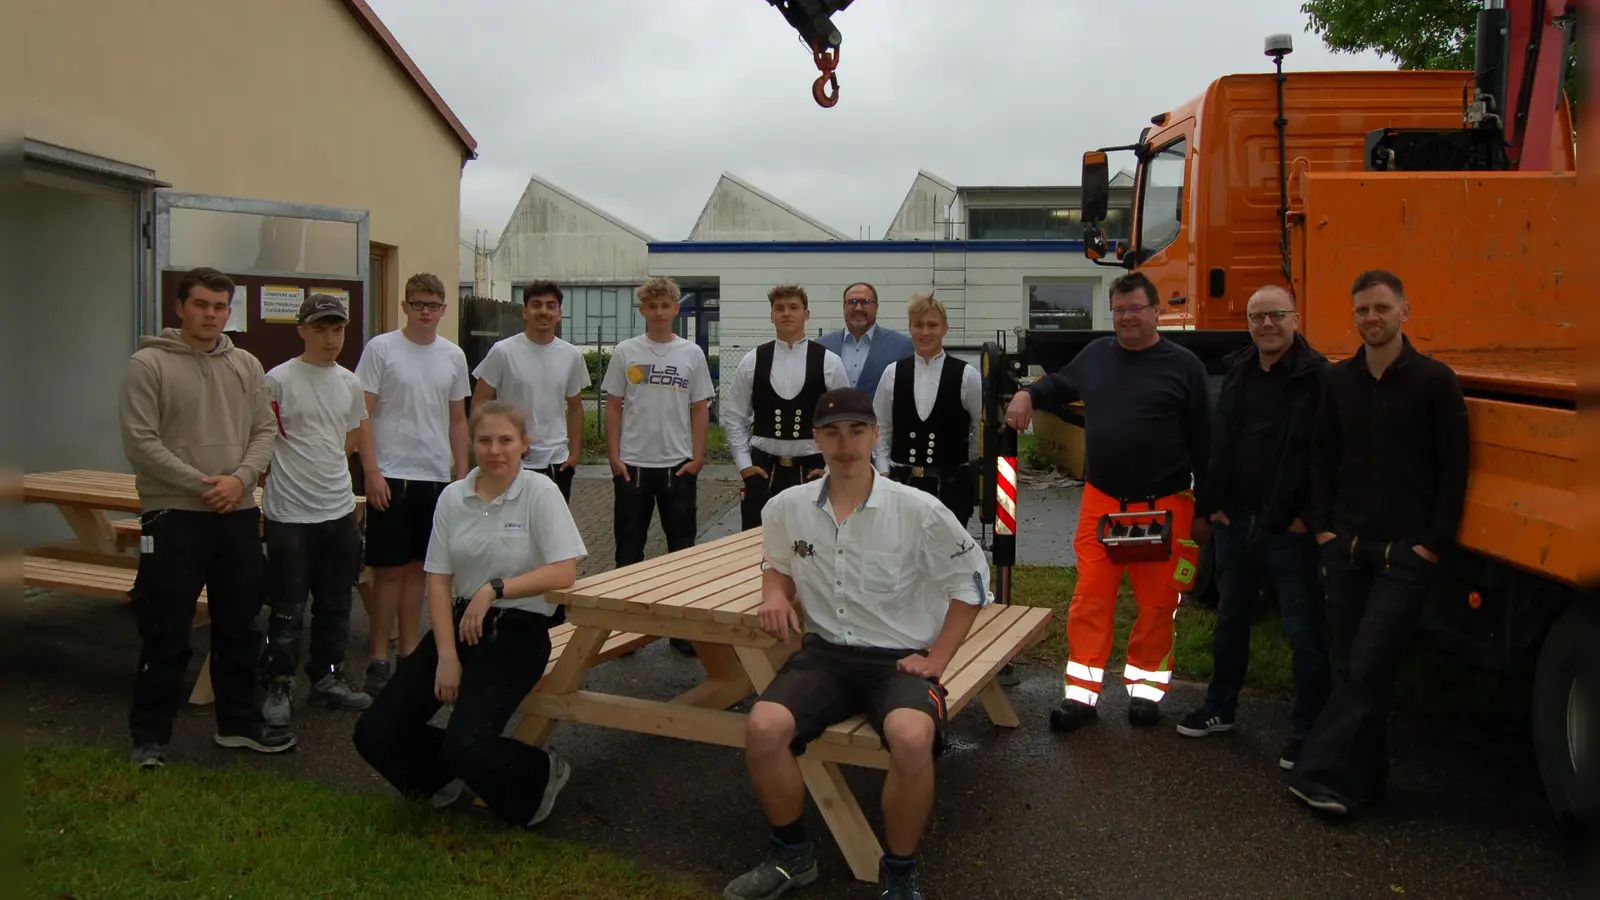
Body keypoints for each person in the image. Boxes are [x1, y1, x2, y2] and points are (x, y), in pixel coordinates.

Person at [724, 387, 990, 900]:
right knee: (762, 726)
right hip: (826, 655)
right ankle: (791, 858)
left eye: (855, 431)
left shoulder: (920, 510)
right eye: (831, 432)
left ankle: (899, 871)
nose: (844, 444)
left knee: (911, 738)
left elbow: (973, 584)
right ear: (815, 439)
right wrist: (773, 592)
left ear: (874, 436)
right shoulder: (785, 507)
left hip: (899, 659)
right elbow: (776, 564)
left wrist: (937, 658)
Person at [352, 400, 586, 828]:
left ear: (524, 446)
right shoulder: (453, 497)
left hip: (520, 630)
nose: (495, 450)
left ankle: (539, 774)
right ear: (471, 443)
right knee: (374, 733)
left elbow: (564, 572)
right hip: (460, 625)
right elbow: (438, 581)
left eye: (505, 440)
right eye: (484, 440)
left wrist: (495, 588)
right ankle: (439, 781)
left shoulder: (540, 491)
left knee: (467, 744)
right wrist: (446, 656)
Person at [1288, 269, 1469, 817]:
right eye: (1362, 310)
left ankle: (1318, 772)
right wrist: (1323, 531)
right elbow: (1321, 460)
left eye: (1382, 309)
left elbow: (1454, 470)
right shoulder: (1340, 382)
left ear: (1404, 313)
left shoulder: (1436, 382)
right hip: (1347, 549)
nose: (1372, 318)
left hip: (1405, 556)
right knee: (1355, 668)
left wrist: (1432, 546)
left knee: (1368, 665)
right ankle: (1363, 785)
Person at [1004, 271, 1211, 731]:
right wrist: (1025, 393)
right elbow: (1055, 386)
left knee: (1158, 604)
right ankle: (1081, 696)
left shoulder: (1184, 367)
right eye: (1119, 310)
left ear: (1157, 311)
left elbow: (1206, 444)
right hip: (1103, 503)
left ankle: (1145, 692)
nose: (1127, 317)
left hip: (1165, 505)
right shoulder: (1097, 356)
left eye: (1136, 308)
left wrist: (1208, 510)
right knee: (1090, 600)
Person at [119, 266, 293, 767]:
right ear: (180, 307)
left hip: (236, 513)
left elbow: (265, 430)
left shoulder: (247, 365)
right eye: (201, 304)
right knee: (166, 626)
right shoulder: (147, 365)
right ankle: (150, 737)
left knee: (239, 624)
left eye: (219, 307)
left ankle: (238, 723)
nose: (211, 315)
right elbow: (141, 444)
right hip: (173, 515)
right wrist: (203, 484)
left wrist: (239, 480)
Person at [1177, 286, 1332, 771]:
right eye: (1257, 316)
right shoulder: (1239, 369)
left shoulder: (1318, 377)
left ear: (1296, 318)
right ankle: (1220, 708)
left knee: (1303, 631)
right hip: (1234, 519)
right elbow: (1218, 442)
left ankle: (1309, 732)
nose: (1267, 325)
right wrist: (1211, 505)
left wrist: (1309, 515)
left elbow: (1328, 454)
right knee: (1231, 619)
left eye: (1276, 316)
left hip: (1289, 526)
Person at [258, 293, 374, 727]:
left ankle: (327, 679)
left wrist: (328, 472)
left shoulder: (348, 382)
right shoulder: (278, 380)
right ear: (302, 330)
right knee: (287, 605)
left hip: (338, 509)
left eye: (338, 329)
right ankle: (280, 681)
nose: (330, 339)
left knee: (336, 602)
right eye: (321, 329)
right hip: (289, 513)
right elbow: (263, 438)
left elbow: (349, 439)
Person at [354, 273, 471, 697]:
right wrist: (371, 471)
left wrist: (461, 474)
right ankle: (378, 657)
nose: (426, 311)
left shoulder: (453, 356)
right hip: (390, 473)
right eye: (418, 303)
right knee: (386, 571)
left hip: (435, 476)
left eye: (433, 304)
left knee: (420, 570)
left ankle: (408, 652)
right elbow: (361, 414)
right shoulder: (382, 348)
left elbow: (458, 419)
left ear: (443, 309)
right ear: (404, 306)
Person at [600, 275, 713, 567]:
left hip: (677, 465)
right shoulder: (626, 351)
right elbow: (613, 405)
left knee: (682, 549)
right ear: (642, 310)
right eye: (653, 306)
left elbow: (700, 408)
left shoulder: (692, 353)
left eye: (665, 305)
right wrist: (614, 456)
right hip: (633, 465)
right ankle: (625, 606)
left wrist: (698, 458)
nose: (659, 313)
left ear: (676, 309)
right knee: (628, 549)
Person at [724, 284, 849, 530]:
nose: (786, 313)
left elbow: (842, 420)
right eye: (779, 308)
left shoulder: (829, 361)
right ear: (771, 315)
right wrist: (744, 465)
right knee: (755, 547)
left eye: (793, 307)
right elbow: (734, 416)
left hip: (812, 471)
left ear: (806, 314)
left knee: (815, 546)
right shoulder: (752, 360)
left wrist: (828, 467)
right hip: (763, 471)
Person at [470, 279, 589, 502]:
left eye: (550, 306)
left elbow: (575, 408)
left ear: (559, 313)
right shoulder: (503, 352)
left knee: (550, 531)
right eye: (536, 304)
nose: (543, 311)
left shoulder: (571, 356)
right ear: (525, 311)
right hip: (512, 458)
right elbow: (480, 403)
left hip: (557, 461)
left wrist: (574, 454)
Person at [872, 292, 982, 526]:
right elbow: (880, 427)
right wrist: (883, 471)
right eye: (918, 325)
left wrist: (962, 461)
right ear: (910, 328)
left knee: (947, 557)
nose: (925, 332)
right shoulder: (892, 373)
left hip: (950, 487)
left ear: (945, 328)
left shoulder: (966, 375)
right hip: (903, 484)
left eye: (932, 325)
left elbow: (979, 426)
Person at [818, 281, 914, 403]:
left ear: (876, 307)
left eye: (865, 302)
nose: (858, 308)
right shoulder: (822, 347)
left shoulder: (902, 346)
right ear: (843, 307)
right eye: (851, 302)